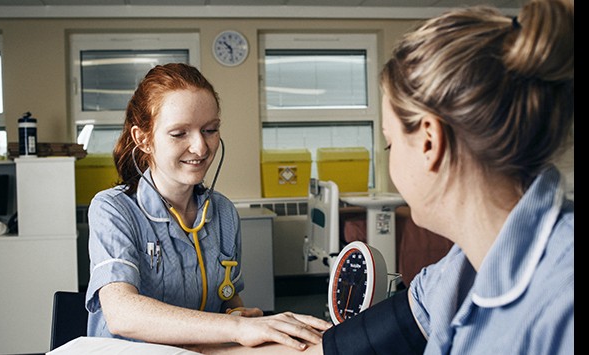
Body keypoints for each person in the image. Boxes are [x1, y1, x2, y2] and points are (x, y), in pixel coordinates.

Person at [192, 0, 575, 353]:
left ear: (429, 142)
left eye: (390, 144)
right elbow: (337, 348)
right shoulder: (458, 269)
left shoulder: (562, 297)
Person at [85, 63, 332, 351]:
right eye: (179, 133)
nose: (201, 148)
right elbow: (121, 314)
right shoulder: (113, 209)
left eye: (210, 130)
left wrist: (240, 314)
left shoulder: (223, 213)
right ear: (144, 139)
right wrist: (238, 327)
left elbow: (227, 296)